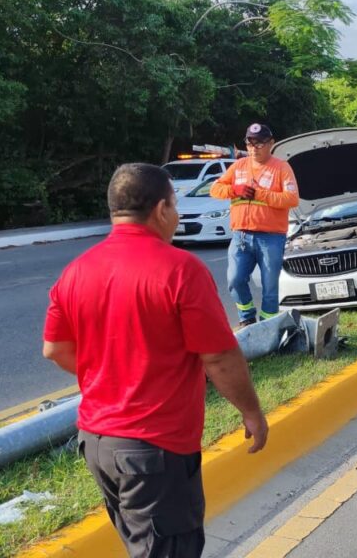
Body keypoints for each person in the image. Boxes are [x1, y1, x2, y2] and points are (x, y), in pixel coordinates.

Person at [42, 163, 268, 558]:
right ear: (162, 210)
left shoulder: (76, 271)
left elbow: (55, 349)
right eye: (175, 206)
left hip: (98, 444)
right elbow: (217, 356)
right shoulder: (180, 270)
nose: (177, 216)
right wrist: (252, 412)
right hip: (154, 450)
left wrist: (109, 378)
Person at [211, 123, 299, 327]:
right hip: (241, 235)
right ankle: (247, 317)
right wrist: (235, 189)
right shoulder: (238, 166)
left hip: (271, 238)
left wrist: (261, 194)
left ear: (271, 144)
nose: (254, 148)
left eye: (259, 144)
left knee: (269, 286)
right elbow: (215, 189)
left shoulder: (281, 168)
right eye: (250, 143)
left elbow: (291, 199)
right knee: (235, 279)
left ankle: (268, 326)